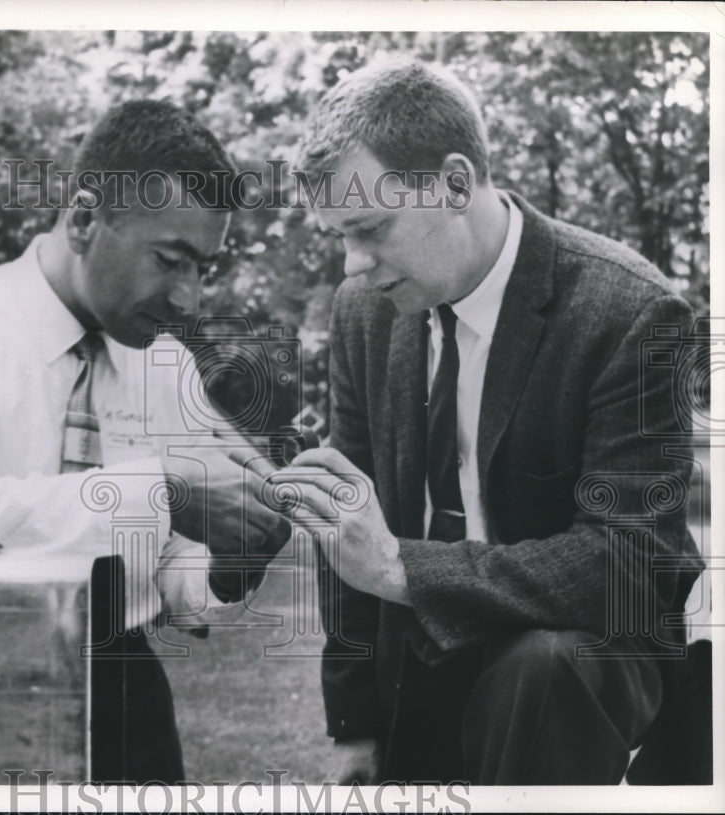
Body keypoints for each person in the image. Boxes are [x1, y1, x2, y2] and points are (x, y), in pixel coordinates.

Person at [275, 59, 705, 784]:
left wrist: (402, 566)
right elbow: (346, 523)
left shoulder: (630, 310)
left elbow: (628, 563)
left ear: (452, 182)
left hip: (577, 666)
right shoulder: (365, 310)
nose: (352, 264)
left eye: (371, 227)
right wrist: (353, 725)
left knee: (540, 667)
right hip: (425, 659)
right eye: (337, 234)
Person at [0, 100, 290, 783]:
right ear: (86, 218)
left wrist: (236, 557)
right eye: (171, 259)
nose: (190, 299)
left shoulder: (165, 364)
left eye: (202, 267)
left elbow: (176, 579)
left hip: (128, 697)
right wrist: (161, 496)